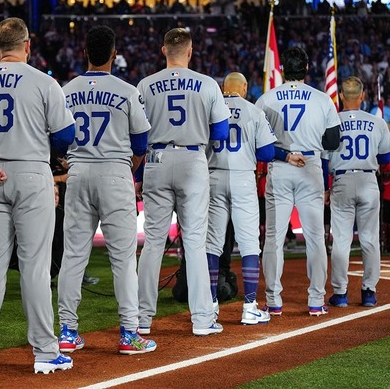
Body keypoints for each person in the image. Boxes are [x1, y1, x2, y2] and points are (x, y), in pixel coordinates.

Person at [0, 17, 75, 375]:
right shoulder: (43, 81)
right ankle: (45, 352)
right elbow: (66, 136)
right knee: (35, 267)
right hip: (31, 171)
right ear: (27, 45)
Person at [56, 25, 155, 354]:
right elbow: (140, 144)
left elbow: (57, 140)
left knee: (73, 256)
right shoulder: (127, 91)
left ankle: (67, 332)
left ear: (85, 52)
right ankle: (129, 334)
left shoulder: (66, 90)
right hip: (115, 171)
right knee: (123, 259)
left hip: (78, 172)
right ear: (114, 54)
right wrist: (129, 168)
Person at [136, 27, 230, 336]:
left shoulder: (145, 84)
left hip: (157, 159)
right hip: (192, 158)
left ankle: (142, 319)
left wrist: (138, 174)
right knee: (195, 242)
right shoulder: (207, 83)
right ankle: (202, 319)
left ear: (164, 50)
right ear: (190, 51)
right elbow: (220, 132)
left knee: (153, 242)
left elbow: (137, 135)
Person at [256, 46, 341, 316]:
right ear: (306, 68)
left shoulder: (266, 99)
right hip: (310, 165)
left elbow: (259, 142)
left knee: (274, 238)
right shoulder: (322, 99)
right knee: (315, 238)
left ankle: (273, 301)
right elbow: (333, 141)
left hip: (280, 165)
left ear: (282, 70)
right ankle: (316, 300)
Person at [205, 72, 276, 324]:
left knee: (212, 244)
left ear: (223, 87)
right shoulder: (253, 111)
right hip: (243, 177)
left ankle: (210, 306)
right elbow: (267, 152)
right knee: (249, 244)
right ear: (244, 87)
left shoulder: (211, 109)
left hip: (213, 176)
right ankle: (249, 307)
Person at [324, 76, 390, 308]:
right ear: (362, 96)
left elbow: (324, 158)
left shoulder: (332, 121)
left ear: (341, 96)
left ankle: (340, 293)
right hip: (368, 179)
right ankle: (369, 292)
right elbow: (385, 157)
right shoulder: (377, 122)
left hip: (341, 179)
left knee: (341, 239)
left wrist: (325, 187)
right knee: (370, 239)